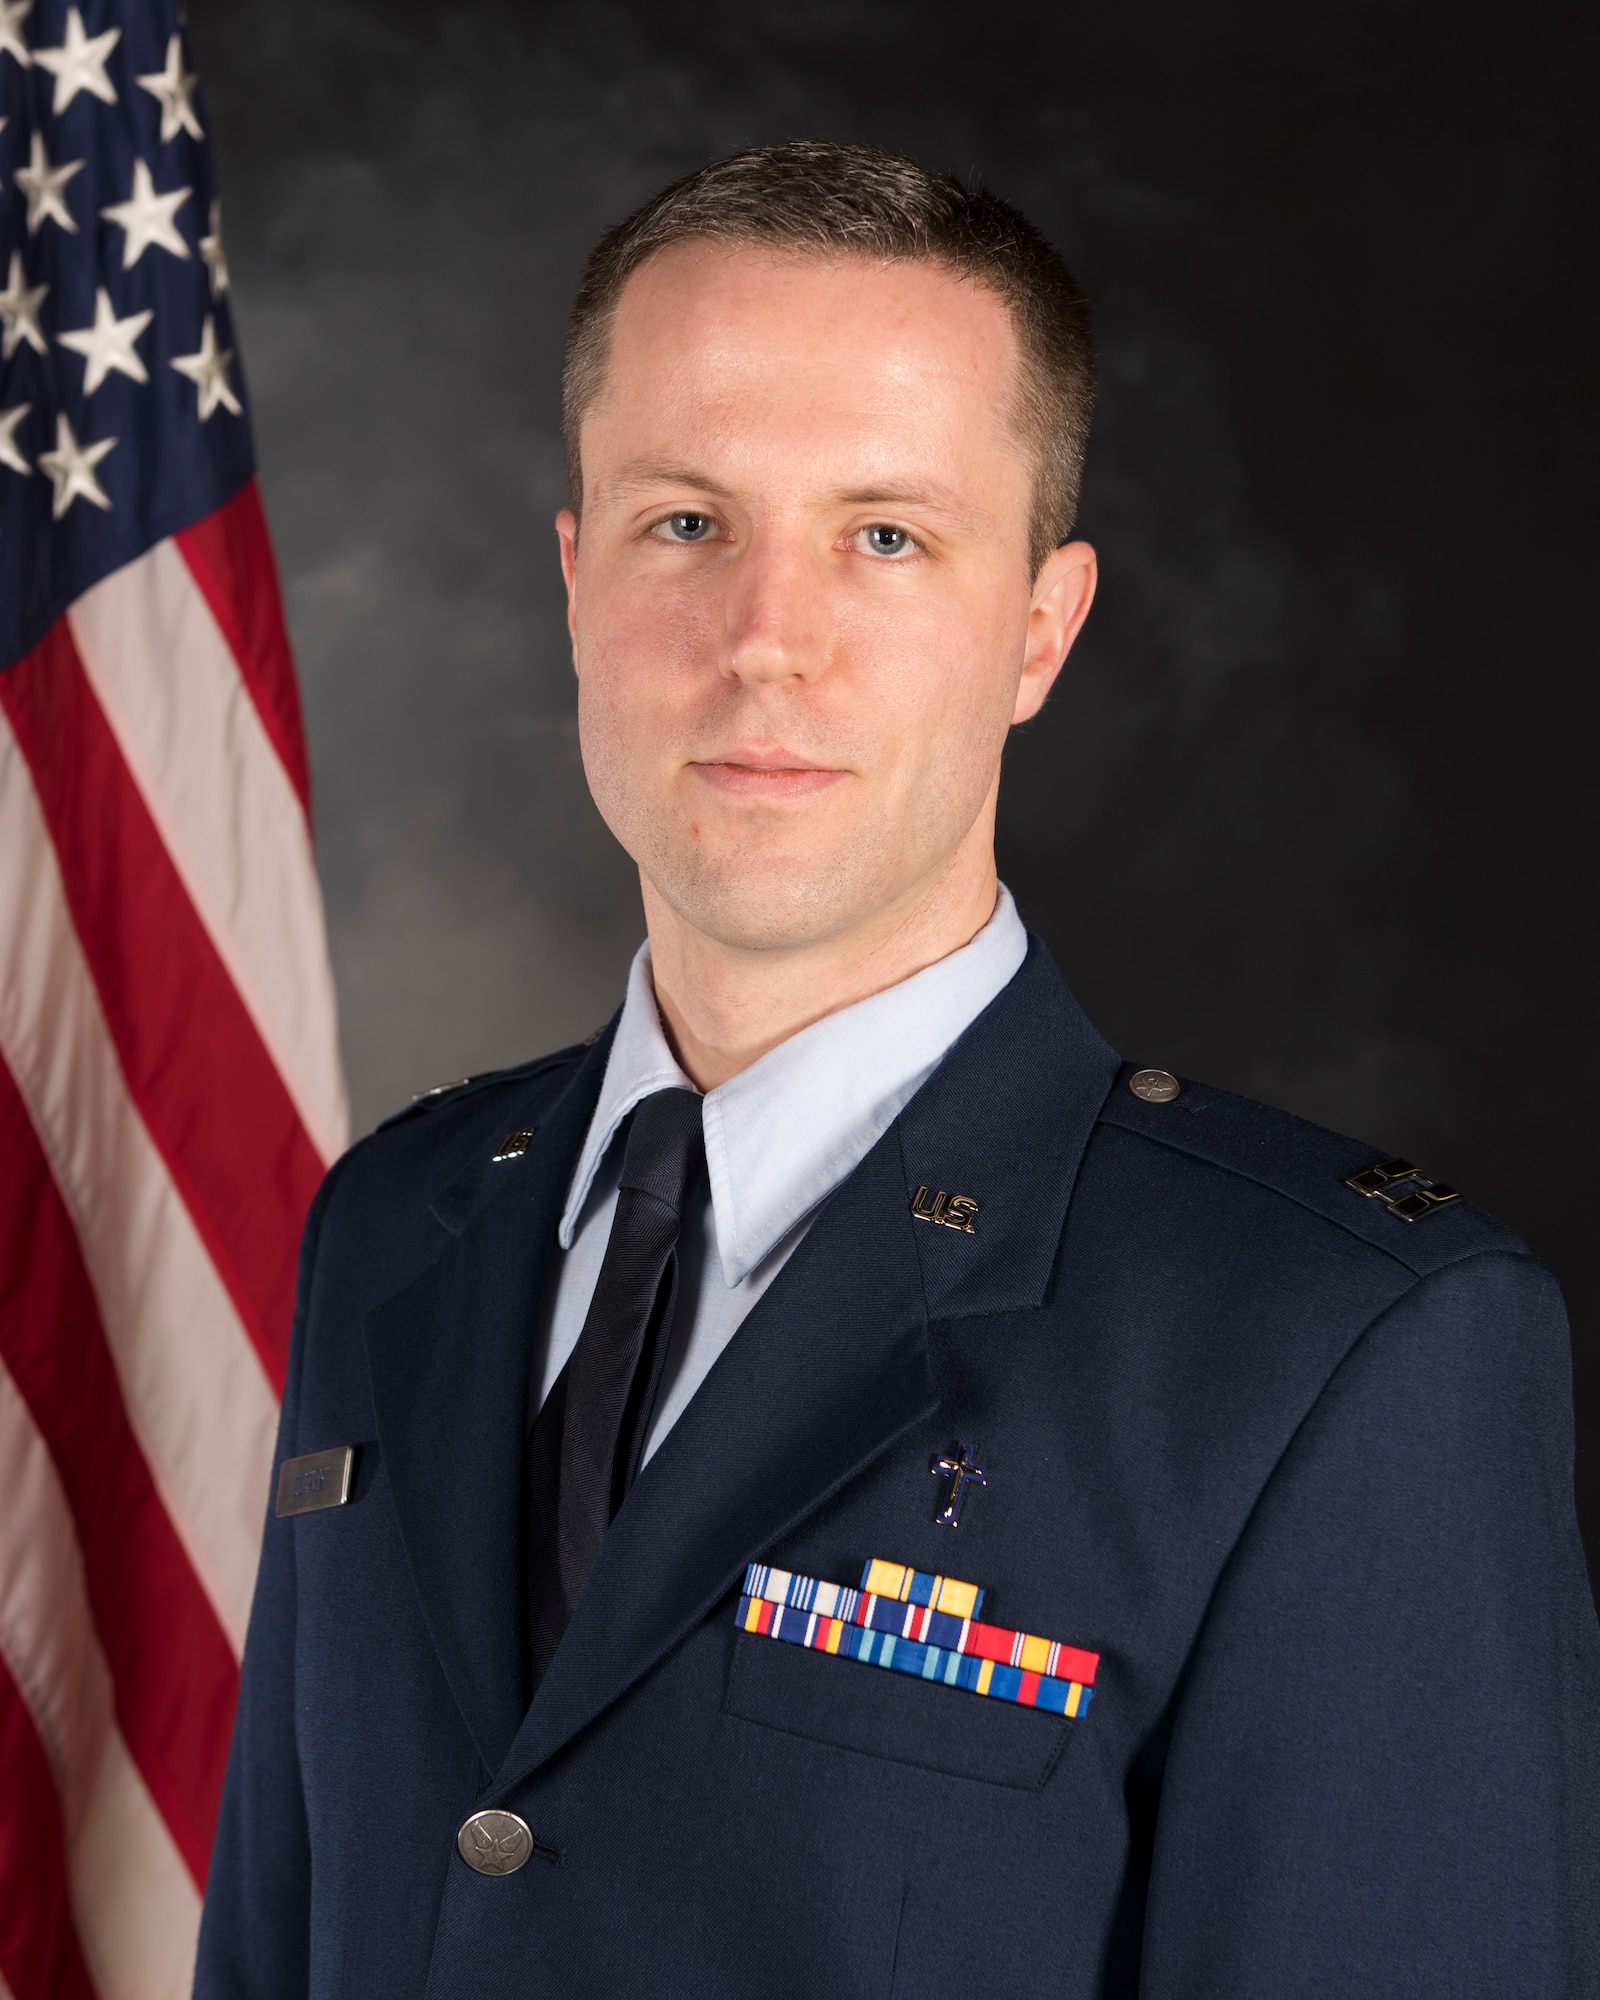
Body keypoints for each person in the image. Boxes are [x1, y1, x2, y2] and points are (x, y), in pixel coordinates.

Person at [194, 141, 1599, 1997]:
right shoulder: (403, 1219)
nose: (766, 644)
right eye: (684, 522)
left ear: (1038, 628)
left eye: (884, 536)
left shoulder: (1336, 1346)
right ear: (574, 574)